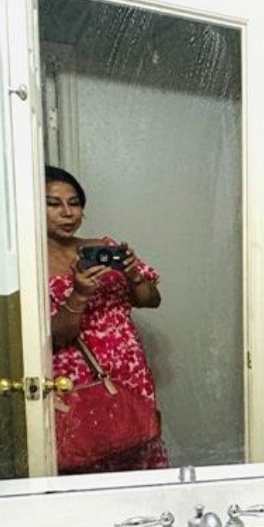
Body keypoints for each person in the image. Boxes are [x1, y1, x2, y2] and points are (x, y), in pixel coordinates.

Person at [45, 165, 168, 472]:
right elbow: (56, 336)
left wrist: (132, 275)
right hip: (74, 378)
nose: (67, 213)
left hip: (129, 371)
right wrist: (80, 294)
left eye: (74, 203)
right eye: (53, 204)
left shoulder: (101, 247)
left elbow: (151, 300)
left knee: (138, 450)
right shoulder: (30, 265)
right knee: (84, 458)